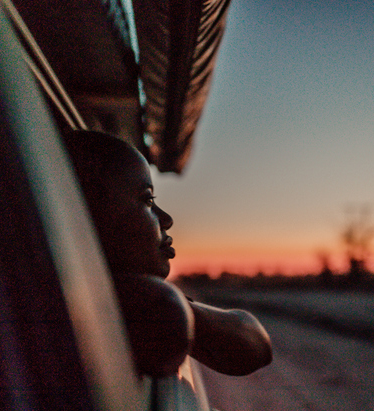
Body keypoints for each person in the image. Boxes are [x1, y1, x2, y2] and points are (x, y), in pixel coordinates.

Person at [64, 130, 272, 378]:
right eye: (148, 200)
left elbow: (256, 346)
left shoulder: (95, 295)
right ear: (87, 216)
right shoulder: (131, 309)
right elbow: (250, 347)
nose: (167, 219)